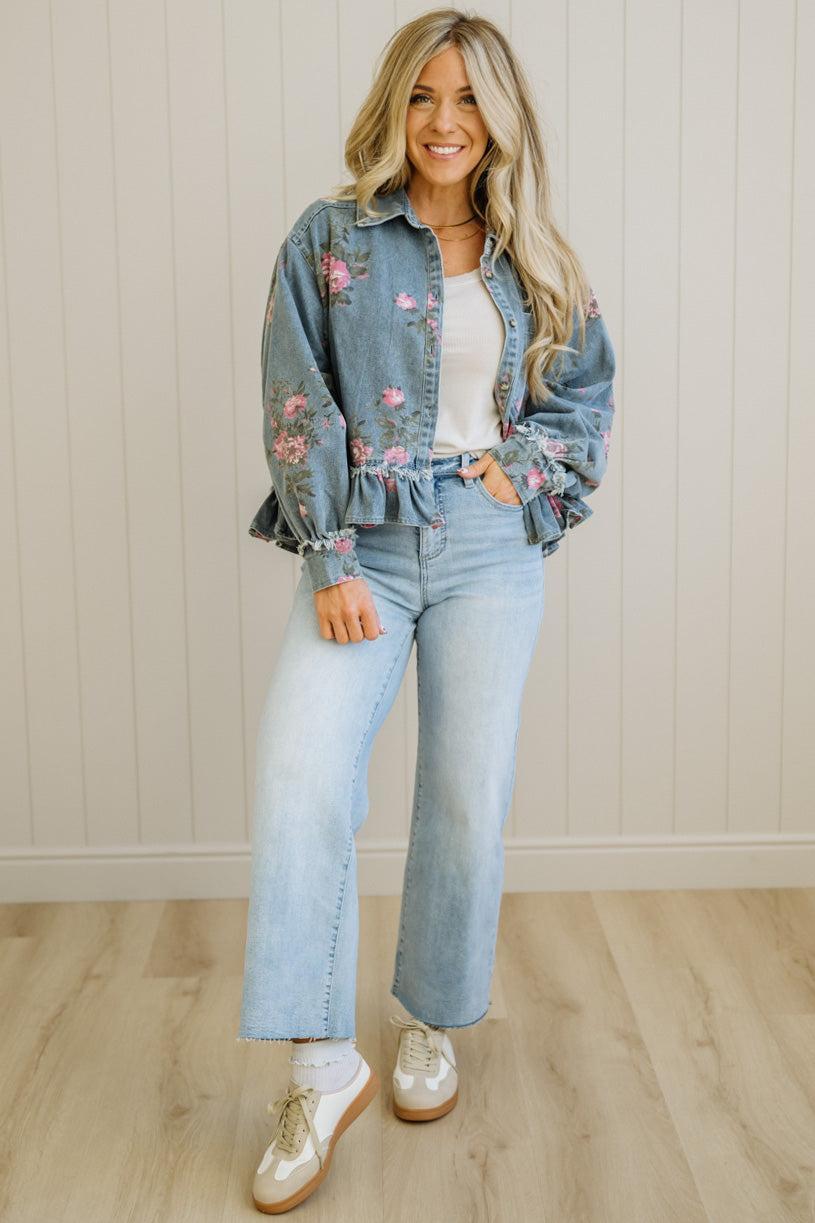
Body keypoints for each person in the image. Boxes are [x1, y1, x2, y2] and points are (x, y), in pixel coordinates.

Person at [236, 7, 616, 1214]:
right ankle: (316, 1063)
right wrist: (332, 556)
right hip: (363, 551)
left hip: (489, 551)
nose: (443, 122)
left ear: (498, 118)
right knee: (300, 778)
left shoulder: (533, 254)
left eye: (465, 100)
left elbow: (583, 392)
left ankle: (431, 1022)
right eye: (421, 96)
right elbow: (297, 402)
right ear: (393, 105)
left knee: (463, 793)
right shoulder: (330, 238)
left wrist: (531, 475)